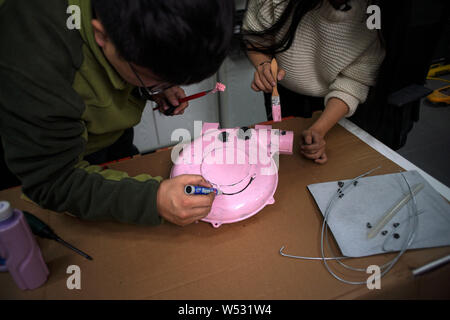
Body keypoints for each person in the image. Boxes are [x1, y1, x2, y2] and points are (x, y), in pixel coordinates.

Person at [0, 0, 235, 226]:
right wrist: (151, 200)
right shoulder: (32, 57)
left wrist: (152, 88)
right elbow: (51, 181)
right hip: (45, 160)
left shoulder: (128, 25)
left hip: (109, 139)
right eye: (155, 77)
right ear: (102, 35)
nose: (167, 85)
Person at [242, 0, 385, 163]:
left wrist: (318, 130)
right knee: (282, 159)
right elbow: (256, 37)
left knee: (330, 162)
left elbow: (354, 83)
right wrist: (263, 65)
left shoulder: (375, 14)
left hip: (337, 106)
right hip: (282, 94)